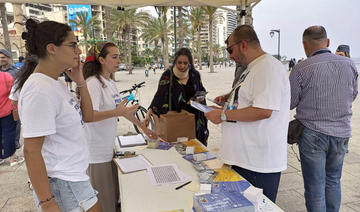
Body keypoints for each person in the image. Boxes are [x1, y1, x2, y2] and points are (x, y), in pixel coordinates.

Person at [16, 19, 101, 212]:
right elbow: (31, 151)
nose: (78, 51)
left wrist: (80, 81)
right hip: (62, 183)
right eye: (72, 45)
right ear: (51, 48)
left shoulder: (56, 84)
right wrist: (47, 203)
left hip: (72, 178)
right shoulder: (39, 89)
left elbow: (87, 116)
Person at [205, 25, 290, 202]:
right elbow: (252, 98)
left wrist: (223, 115)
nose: (230, 55)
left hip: (257, 164)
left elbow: (263, 110)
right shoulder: (253, 67)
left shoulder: (267, 67)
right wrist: (230, 98)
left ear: (243, 44)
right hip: (245, 160)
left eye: (230, 49)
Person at [289, 26, 358, 212]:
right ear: (327, 42)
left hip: (312, 133)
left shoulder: (301, 68)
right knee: (333, 181)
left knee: (315, 187)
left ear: (304, 45)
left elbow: (290, 101)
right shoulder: (350, 64)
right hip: (342, 132)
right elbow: (353, 94)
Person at [83, 42, 155, 212]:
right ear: (101, 59)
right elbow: (89, 116)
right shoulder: (93, 83)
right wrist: (116, 111)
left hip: (109, 150)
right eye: (114, 57)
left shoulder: (109, 83)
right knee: (104, 203)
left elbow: (122, 112)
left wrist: (144, 128)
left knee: (114, 199)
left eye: (119, 57)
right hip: (96, 154)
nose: (118, 61)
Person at [144, 48, 209, 146]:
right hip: (175, 121)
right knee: (177, 149)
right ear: (175, 62)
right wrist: (148, 114)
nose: (182, 66)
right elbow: (159, 96)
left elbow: (200, 91)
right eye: (179, 62)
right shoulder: (167, 75)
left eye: (185, 63)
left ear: (189, 63)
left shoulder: (195, 75)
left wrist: (199, 99)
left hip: (194, 119)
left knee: (195, 149)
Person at [0, 70, 24, 166]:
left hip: (6, 110)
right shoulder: (6, 76)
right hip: (7, 110)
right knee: (9, 133)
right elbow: (14, 92)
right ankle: (12, 158)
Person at [0, 48, 21, 149]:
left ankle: (15, 143)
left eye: (3, 57)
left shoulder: (16, 72)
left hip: (13, 104)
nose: (1, 59)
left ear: (8, 58)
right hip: (1, 105)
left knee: (15, 124)